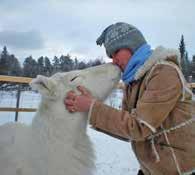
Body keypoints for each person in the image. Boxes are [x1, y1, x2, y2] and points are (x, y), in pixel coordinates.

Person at [64, 22, 195, 175]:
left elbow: (138, 127)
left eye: (115, 52)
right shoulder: (133, 82)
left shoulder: (164, 72)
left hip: (183, 170)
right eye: (110, 56)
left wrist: (92, 107)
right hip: (153, 169)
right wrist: (89, 109)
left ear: (132, 46)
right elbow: (127, 131)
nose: (113, 60)